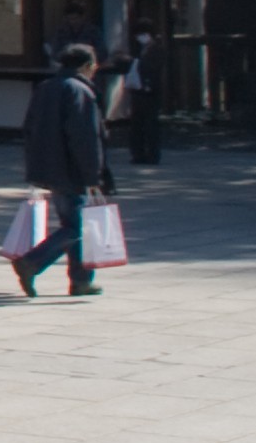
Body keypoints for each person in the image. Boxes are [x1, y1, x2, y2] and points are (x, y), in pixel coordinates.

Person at [10, 43, 109, 298]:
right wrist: (93, 174)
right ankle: (32, 262)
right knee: (77, 228)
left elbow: (29, 128)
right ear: (86, 66)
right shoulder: (80, 91)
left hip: (48, 168)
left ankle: (81, 280)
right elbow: (84, 138)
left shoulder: (45, 87)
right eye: (94, 65)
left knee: (74, 223)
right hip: (71, 169)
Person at [120, 23, 165, 168]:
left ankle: (152, 154)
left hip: (150, 89)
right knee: (137, 124)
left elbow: (154, 68)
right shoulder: (138, 49)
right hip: (138, 89)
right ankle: (138, 153)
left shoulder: (157, 49)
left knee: (151, 124)